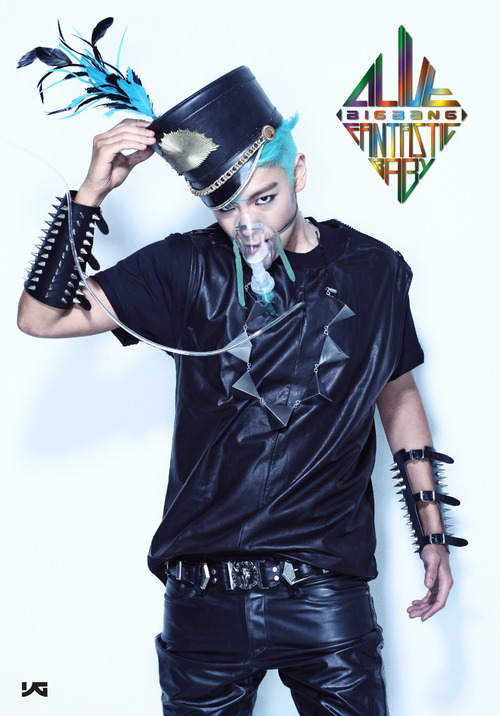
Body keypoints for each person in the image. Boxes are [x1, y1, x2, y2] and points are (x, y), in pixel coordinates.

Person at [17, 64, 467, 716]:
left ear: (299, 172)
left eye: (264, 198)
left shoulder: (373, 271)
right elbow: (40, 318)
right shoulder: (186, 266)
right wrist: (90, 194)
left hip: (323, 597)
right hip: (203, 605)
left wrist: (432, 537)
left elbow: (396, 397)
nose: (249, 223)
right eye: (227, 207)